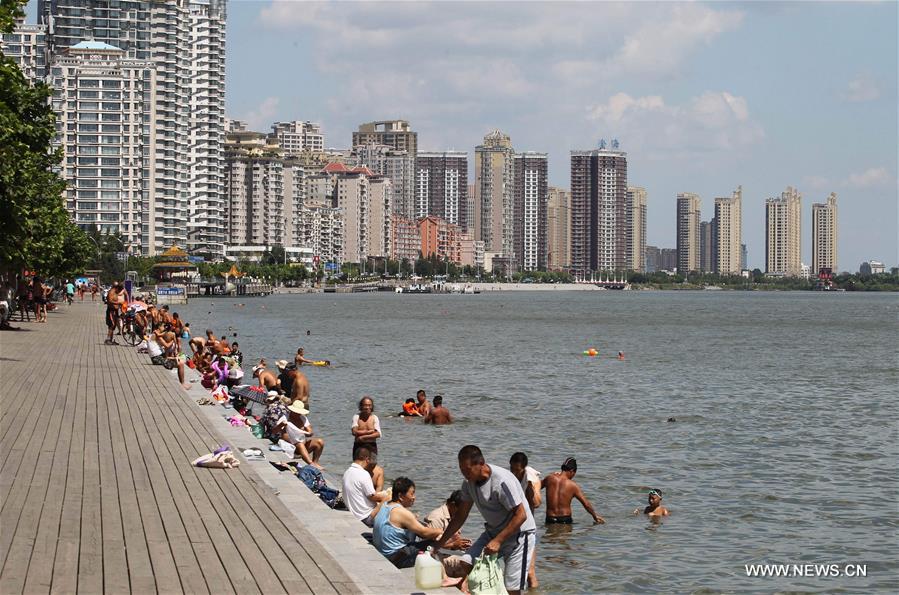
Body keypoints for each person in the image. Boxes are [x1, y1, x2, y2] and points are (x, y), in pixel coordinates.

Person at [433, 445, 537, 595]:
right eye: (461, 470)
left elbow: (521, 515)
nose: (465, 474)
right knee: (467, 562)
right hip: (493, 531)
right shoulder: (468, 483)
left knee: (512, 588)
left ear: (481, 463)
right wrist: (439, 544)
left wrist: (498, 541)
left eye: (468, 470)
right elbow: (461, 515)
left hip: (520, 534)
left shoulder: (502, 481)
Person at [373, 477, 443, 568]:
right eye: (412, 493)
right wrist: (441, 531)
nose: (414, 497)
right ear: (400, 496)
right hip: (394, 557)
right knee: (432, 543)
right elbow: (424, 533)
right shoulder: (401, 512)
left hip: (382, 552)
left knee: (416, 530)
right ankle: (451, 544)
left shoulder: (386, 504)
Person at [509, 452, 542, 589]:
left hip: (527, 531)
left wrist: (529, 487)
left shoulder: (531, 479)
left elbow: (537, 503)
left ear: (524, 468)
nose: (514, 473)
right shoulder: (508, 477)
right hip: (511, 528)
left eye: (517, 470)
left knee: (530, 573)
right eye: (512, 469)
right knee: (510, 572)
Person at [541, 457, 604, 525]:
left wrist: (551, 475)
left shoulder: (549, 478)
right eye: (574, 473)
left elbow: (537, 487)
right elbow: (586, 504)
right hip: (565, 520)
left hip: (550, 519)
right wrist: (595, 516)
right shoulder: (573, 485)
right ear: (572, 471)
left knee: (550, 532)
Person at [341, 445, 390, 527]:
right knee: (390, 498)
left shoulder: (347, 472)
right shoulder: (363, 474)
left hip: (355, 514)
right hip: (366, 517)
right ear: (367, 459)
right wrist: (386, 496)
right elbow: (373, 497)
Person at [277, 400, 325, 469]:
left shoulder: (303, 418)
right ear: (292, 411)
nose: (298, 414)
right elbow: (274, 431)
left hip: (302, 444)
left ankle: (315, 462)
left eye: (299, 412)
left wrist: (309, 433)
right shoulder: (285, 418)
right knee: (299, 444)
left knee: (319, 441)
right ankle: (311, 464)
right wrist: (281, 425)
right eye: (296, 412)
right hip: (290, 447)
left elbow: (310, 431)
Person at [351, 396, 384, 490]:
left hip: (371, 445)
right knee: (358, 466)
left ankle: (369, 484)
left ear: (372, 406)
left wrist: (363, 437)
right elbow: (354, 431)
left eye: (369, 405)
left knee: (372, 463)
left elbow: (378, 434)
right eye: (365, 405)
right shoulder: (356, 417)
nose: (367, 407)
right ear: (361, 406)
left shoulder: (374, 418)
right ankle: (358, 486)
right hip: (359, 445)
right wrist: (369, 432)